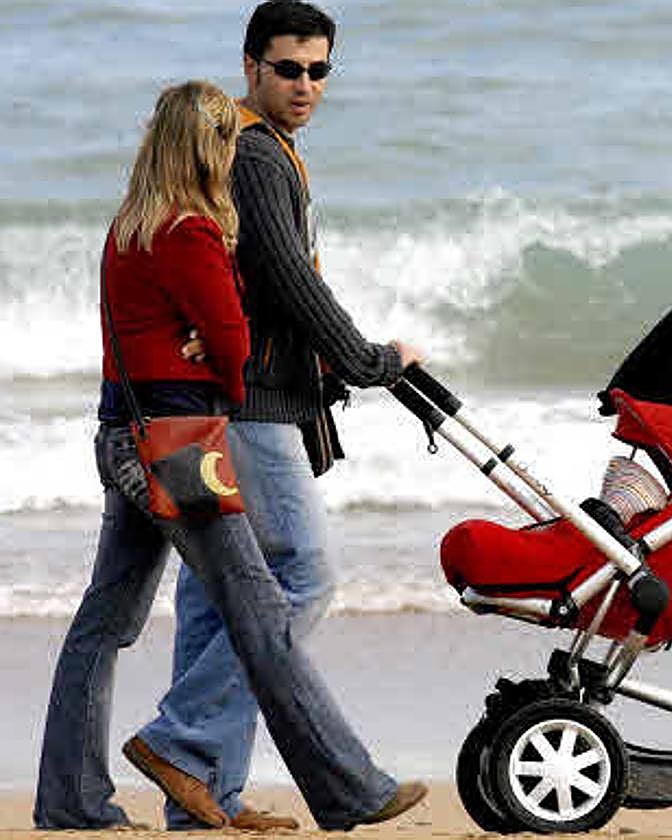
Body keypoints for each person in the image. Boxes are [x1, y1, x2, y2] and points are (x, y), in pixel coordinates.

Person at [32, 80, 426, 832]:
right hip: (181, 451)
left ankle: (72, 802)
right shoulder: (190, 230)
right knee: (265, 613)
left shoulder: (129, 227)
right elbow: (236, 350)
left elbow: (178, 331)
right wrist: (215, 347)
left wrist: (203, 337)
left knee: (106, 623)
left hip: (124, 437)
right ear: (208, 146)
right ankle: (347, 788)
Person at [130, 1, 424, 830]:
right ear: (250, 66)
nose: (305, 84)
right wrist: (367, 360)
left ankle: (202, 804)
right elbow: (290, 280)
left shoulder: (263, 151)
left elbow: (265, 285)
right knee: (302, 575)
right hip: (252, 406)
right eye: (288, 68)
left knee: (219, 596)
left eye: (319, 70)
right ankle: (182, 742)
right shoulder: (256, 153)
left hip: (231, 401)